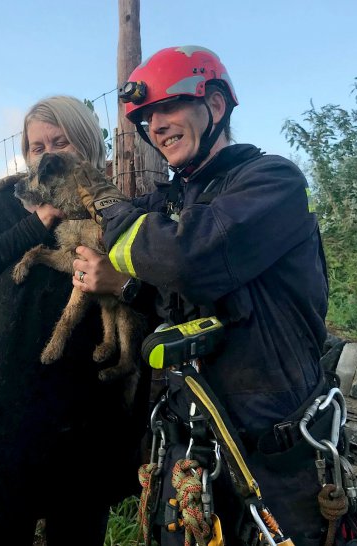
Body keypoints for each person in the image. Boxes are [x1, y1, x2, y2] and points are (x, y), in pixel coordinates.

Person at [75, 46, 331, 545]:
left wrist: (112, 211)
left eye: (168, 108)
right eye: (148, 117)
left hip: (269, 450)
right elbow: (193, 311)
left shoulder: (271, 182)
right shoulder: (174, 201)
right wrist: (126, 285)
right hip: (191, 446)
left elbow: (187, 260)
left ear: (214, 105)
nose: (156, 125)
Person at [0, 95, 150, 546]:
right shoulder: (5, 206)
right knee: (1, 533)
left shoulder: (115, 212)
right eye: (37, 146)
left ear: (90, 146)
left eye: (61, 141)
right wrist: (35, 225)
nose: (49, 153)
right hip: (8, 418)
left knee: (77, 531)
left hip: (86, 420)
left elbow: (148, 298)